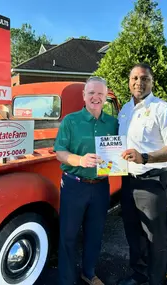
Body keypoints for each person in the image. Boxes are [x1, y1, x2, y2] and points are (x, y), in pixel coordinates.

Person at [117, 63, 167, 285]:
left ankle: (157, 281)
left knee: (156, 238)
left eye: (144, 78)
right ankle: (139, 275)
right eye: (134, 78)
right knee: (133, 234)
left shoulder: (164, 110)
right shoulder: (125, 110)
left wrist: (145, 157)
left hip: (153, 182)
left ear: (152, 82)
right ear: (129, 82)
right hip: (128, 182)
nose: (139, 82)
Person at [54, 76, 118, 285]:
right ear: (84, 96)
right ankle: (66, 279)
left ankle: (88, 273)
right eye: (91, 93)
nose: (96, 97)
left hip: (100, 186)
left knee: (95, 234)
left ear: (106, 96)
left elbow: (118, 150)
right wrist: (80, 160)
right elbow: (60, 152)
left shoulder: (113, 123)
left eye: (100, 93)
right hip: (74, 185)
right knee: (68, 235)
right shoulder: (70, 121)